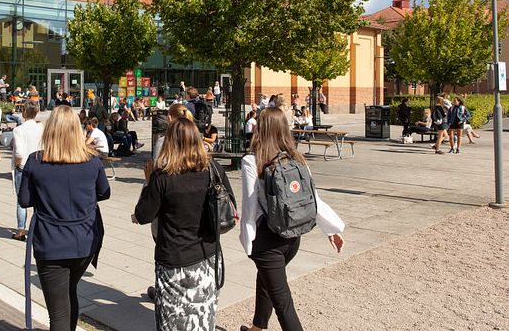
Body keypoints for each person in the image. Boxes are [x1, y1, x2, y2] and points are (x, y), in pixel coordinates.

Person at [239, 107, 345, 331]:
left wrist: (247, 240)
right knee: (267, 280)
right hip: (293, 236)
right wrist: (332, 229)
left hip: (267, 240)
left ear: (261, 128)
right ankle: (258, 327)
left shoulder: (252, 161)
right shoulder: (297, 158)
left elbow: (249, 207)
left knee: (283, 304)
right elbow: (313, 198)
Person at [133, 116, 235, 331]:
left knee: (172, 321)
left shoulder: (163, 176)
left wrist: (148, 181)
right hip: (206, 255)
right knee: (202, 318)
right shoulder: (213, 170)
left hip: (173, 259)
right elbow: (230, 206)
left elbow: (143, 215)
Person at [18, 105, 111, 331]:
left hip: (51, 244)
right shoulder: (92, 161)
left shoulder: (36, 161)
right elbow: (104, 192)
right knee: (70, 292)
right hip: (84, 241)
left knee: (58, 312)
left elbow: (24, 200)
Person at [12, 101, 43, 242]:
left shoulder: (19, 130)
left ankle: (20, 230)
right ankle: (39, 228)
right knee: (39, 199)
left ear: (24, 112)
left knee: (21, 200)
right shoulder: (41, 128)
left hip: (23, 167)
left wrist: (17, 165)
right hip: (39, 166)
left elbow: (19, 153)